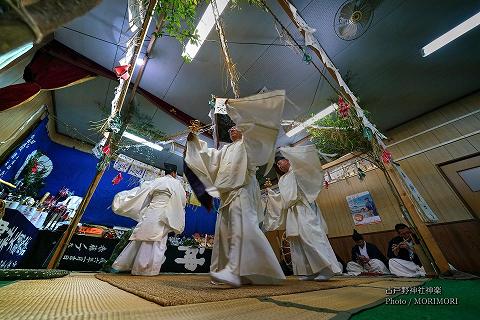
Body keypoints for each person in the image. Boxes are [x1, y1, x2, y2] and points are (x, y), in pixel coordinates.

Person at [184, 90, 286, 287]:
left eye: (235, 128)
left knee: (243, 228)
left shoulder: (249, 144)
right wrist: (194, 141)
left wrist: (233, 106)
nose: (232, 130)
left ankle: (235, 270)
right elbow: (207, 158)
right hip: (226, 196)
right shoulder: (225, 150)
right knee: (225, 233)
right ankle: (233, 271)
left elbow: (255, 128)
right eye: (230, 130)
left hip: (242, 192)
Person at [264, 145, 342, 281]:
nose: (279, 165)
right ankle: (309, 271)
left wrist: (285, 150)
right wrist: (270, 193)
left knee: (310, 237)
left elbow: (303, 161)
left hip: (302, 208)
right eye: (277, 163)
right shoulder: (282, 179)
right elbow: (282, 199)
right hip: (291, 212)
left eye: (280, 161)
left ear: (287, 160)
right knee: (297, 241)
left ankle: (327, 268)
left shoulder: (297, 171)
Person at [111, 163, 186, 276]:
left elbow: (144, 194)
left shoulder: (156, 181)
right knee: (157, 242)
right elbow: (182, 201)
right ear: (174, 173)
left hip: (151, 213)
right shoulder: (177, 184)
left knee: (141, 239)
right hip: (165, 215)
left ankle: (126, 265)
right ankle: (146, 269)